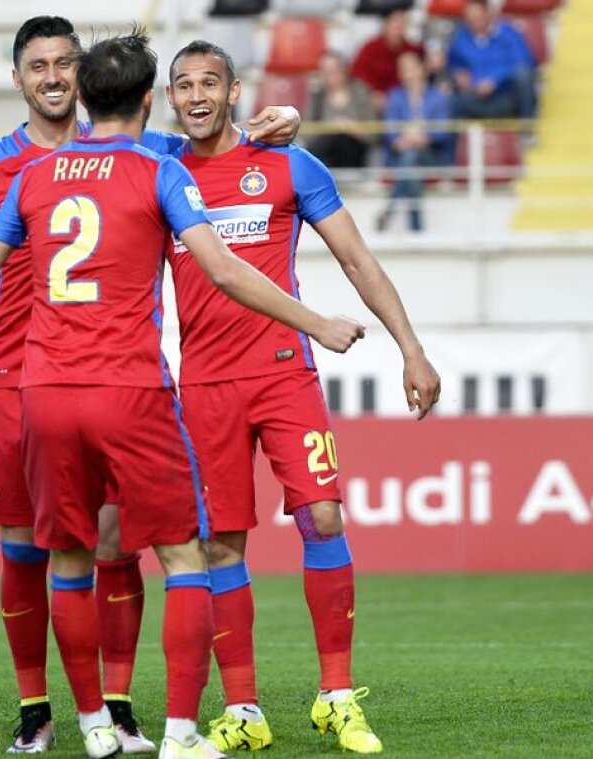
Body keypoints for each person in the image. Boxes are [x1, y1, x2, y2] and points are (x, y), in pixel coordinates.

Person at [0, 15, 302, 755]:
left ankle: (110, 709)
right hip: (28, 384)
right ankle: (39, 710)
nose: (51, 77)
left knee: (103, 545)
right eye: (37, 65)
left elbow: (215, 137)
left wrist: (281, 121)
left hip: (54, 384)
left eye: (63, 64)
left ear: (83, 78)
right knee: (30, 549)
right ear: (18, 78)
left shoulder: (123, 151)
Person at [164, 40, 441, 755]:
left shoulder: (290, 164)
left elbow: (357, 259)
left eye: (210, 83)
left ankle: (337, 696)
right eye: (183, 85)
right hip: (205, 385)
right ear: (168, 99)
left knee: (322, 515)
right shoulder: (161, 169)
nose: (196, 96)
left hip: (284, 372)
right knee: (220, 541)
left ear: (234, 92)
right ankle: (244, 710)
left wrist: (410, 347)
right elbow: (92, 134)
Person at [379, 51, 456, 233]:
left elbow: (443, 130)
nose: (408, 74)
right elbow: (390, 132)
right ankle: (417, 228)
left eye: (412, 68)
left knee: (410, 158)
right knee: (411, 164)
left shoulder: (437, 97)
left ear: (423, 69)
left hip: (431, 155)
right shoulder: (395, 97)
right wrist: (404, 140)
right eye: (403, 69)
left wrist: (423, 137)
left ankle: (391, 208)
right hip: (402, 155)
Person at [447, 0, 536, 120]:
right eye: (470, 18)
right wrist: (458, 74)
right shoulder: (461, 38)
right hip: (476, 96)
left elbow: (523, 61)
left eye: (478, 17)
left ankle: (528, 126)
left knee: (523, 75)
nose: (474, 21)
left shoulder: (508, 32)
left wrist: (495, 81)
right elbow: (454, 63)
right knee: (448, 102)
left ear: (487, 14)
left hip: (506, 94)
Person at [306, 52, 377, 169]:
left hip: (355, 149)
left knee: (342, 141)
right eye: (324, 72)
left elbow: (374, 134)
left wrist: (350, 127)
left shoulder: (359, 92)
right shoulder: (317, 97)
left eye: (332, 71)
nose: (328, 76)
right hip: (324, 151)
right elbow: (307, 133)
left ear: (344, 71)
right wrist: (328, 127)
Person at [349, 4, 423, 113]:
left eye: (402, 25)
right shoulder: (370, 49)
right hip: (376, 104)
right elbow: (357, 78)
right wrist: (372, 95)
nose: (399, 30)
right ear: (385, 26)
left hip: (406, 104)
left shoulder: (413, 50)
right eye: (395, 25)